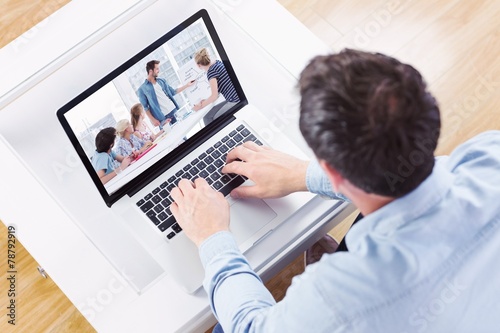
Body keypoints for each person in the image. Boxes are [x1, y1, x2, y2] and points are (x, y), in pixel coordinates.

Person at [170, 49, 500, 332]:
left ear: (332, 170)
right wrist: (304, 175)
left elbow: (249, 325)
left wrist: (212, 237)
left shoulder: (337, 301)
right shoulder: (489, 155)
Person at [137, 60, 194, 129]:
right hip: (162, 118)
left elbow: (173, 92)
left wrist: (187, 85)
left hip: (174, 111)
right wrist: (153, 120)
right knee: (172, 137)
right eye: (157, 69)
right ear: (150, 71)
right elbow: (145, 107)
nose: (159, 70)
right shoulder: (142, 89)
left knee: (183, 133)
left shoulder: (161, 80)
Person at [192, 48, 240, 124]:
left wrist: (199, 107)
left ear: (198, 65)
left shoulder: (211, 73)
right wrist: (205, 101)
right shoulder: (217, 63)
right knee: (207, 116)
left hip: (234, 100)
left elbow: (214, 96)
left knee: (210, 119)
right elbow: (216, 94)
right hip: (237, 96)